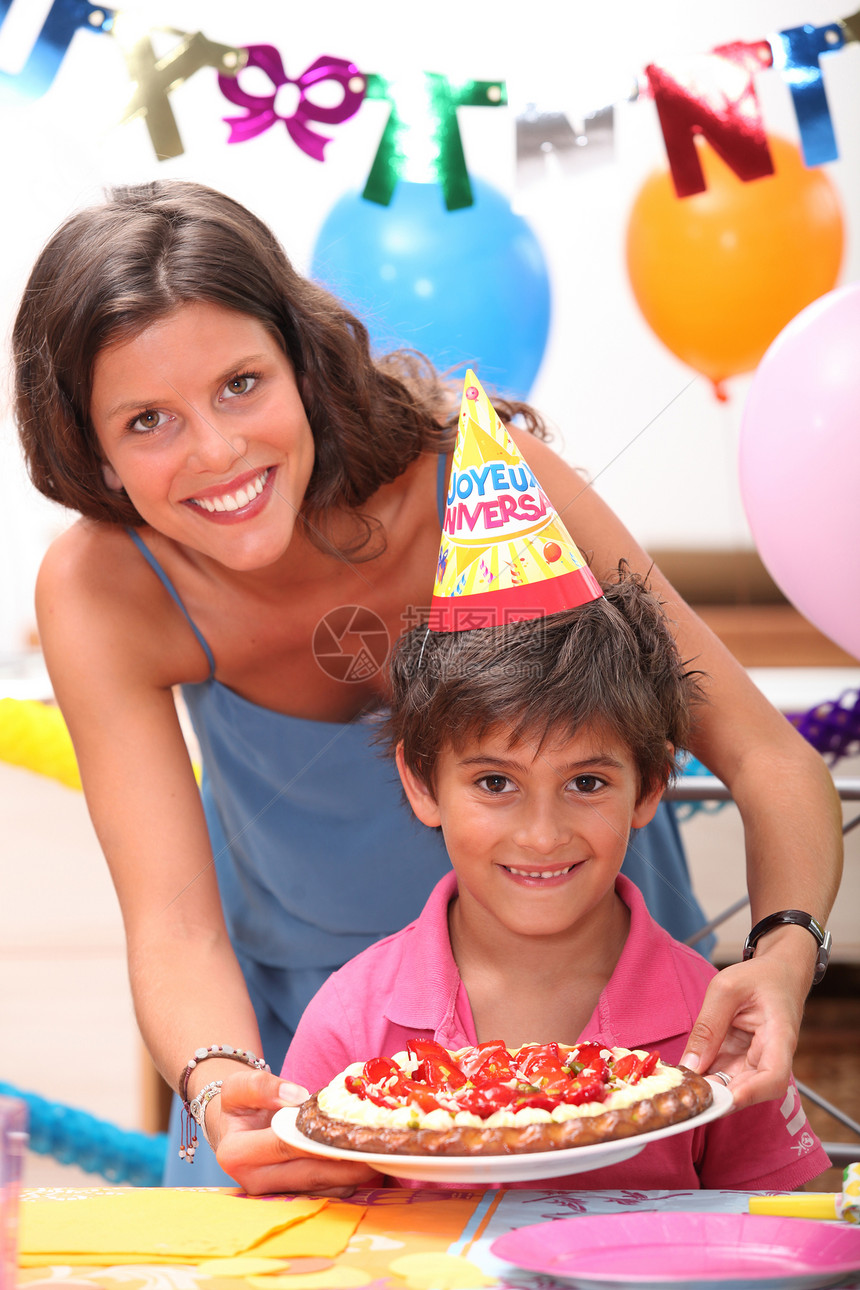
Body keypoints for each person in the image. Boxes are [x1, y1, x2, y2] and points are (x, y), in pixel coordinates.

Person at [12, 180, 841, 1189]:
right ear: (85, 446)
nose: (218, 450)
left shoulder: (477, 475)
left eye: (240, 384)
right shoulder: (105, 590)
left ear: (301, 361)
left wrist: (784, 952)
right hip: (315, 1045)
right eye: (147, 420)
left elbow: (765, 756)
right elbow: (175, 925)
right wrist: (224, 1080)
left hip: (604, 1022)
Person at [218, 570, 829, 1193]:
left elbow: (785, 1223)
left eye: (586, 783)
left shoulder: (714, 1023)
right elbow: (309, 1236)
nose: (542, 835)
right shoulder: (352, 1021)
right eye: (495, 783)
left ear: (649, 786)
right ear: (424, 783)